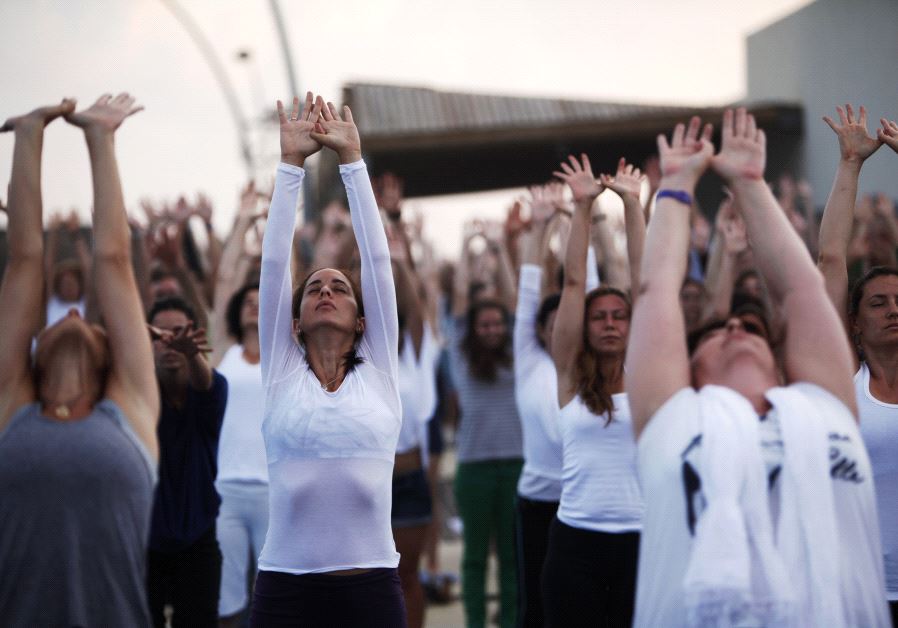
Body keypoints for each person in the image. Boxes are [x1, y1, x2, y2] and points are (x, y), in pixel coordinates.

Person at [627, 109, 889, 626]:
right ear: (688, 376)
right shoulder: (673, 420)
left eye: (751, 328)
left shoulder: (821, 406)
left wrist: (751, 184)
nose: (735, 326)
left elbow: (803, 288)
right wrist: (674, 188)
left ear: (781, 363)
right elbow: (656, 291)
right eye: (715, 334)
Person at [0, 94, 159, 626]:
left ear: (108, 352)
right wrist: (28, 135)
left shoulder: (130, 409)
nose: (72, 313)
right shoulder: (10, 406)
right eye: (60, 317)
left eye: (86, 319)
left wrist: (101, 138)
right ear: (36, 351)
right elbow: (25, 259)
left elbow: (114, 260)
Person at [250, 93, 406, 627]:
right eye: (314, 287)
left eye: (340, 287)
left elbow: (377, 261)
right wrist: (289, 165)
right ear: (293, 324)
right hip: (285, 589)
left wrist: (353, 162)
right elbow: (275, 265)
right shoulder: (281, 373)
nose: (325, 291)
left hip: (372, 587)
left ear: (363, 322)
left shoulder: (380, 371)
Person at [540, 155, 644, 628]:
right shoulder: (570, 376)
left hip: (643, 538)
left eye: (619, 316)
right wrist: (582, 207)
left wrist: (633, 205)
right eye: (598, 317)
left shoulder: (646, 375)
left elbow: (645, 282)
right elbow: (575, 282)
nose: (609, 324)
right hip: (576, 542)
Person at [817, 103, 898, 623]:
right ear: (853, 322)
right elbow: (830, 260)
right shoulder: (845, 378)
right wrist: (850, 163)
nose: (894, 310)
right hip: (859, 589)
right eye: (879, 303)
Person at [512, 183, 599, 628]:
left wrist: (573, 220)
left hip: (583, 500)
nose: (559, 330)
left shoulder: (587, 365)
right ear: (542, 330)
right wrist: (541, 226)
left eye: (566, 322)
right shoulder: (528, 362)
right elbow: (529, 290)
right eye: (551, 324)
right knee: (536, 606)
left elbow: (588, 288)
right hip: (537, 502)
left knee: (583, 604)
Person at [146, 296, 227, 628]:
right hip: (145, 540)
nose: (170, 342)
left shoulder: (214, 387)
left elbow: (205, 385)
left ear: (195, 338)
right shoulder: (137, 396)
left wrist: (192, 355)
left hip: (198, 539)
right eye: (160, 335)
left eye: (179, 333)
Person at [213, 283, 269, 627]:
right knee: (227, 601)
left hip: (271, 491)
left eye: (260, 301)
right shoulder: (225, 352)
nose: (253, 305)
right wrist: (242, 240)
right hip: (226, 490)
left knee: (273, 596)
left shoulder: (284, 355)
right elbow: (224, 288)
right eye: (247, 301)